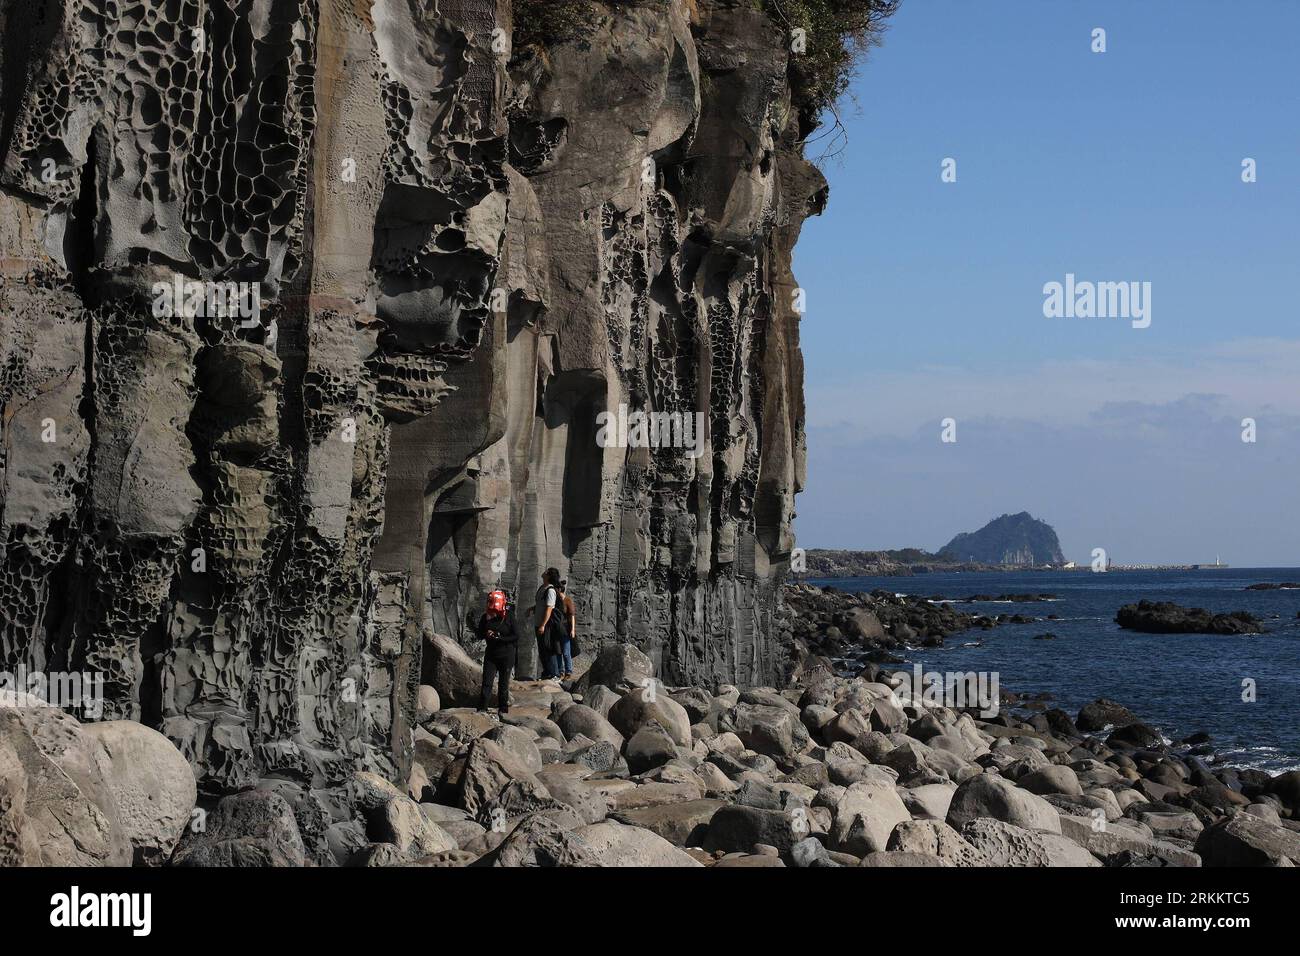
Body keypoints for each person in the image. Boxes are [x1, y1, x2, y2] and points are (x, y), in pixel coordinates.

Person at [476, 589, 518, 715]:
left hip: (506, 654)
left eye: (496, 610)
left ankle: (503, 710)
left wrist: (500, 637)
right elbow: (479, 634)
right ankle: (482, 708)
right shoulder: (486, 617)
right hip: (491, 655)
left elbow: (516, 636)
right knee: (487, 682)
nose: (493, 613)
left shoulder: (509, 617)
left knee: (503, 684)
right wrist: (486, 634)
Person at [534, 568, 563, 681]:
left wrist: (543, 625)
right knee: (542, 649)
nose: (544, 572)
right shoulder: (542, 588)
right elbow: (541, 604)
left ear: (549, 576)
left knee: (549, 648)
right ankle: (547, 673)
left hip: (547, 626)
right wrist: (532, 609)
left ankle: (555, 674)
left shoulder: (550, 590)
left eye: (546, 572)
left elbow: (549, 608)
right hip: (538, 623)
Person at [556, 579, 577, 680]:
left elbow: (572, 616)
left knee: (566, 652)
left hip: (565, 629)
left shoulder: (568, 601)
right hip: (556, 629)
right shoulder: (555, 601)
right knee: (558, 651)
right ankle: (560, 672)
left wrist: (573, 629)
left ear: (560, 590)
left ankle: (568, 672)